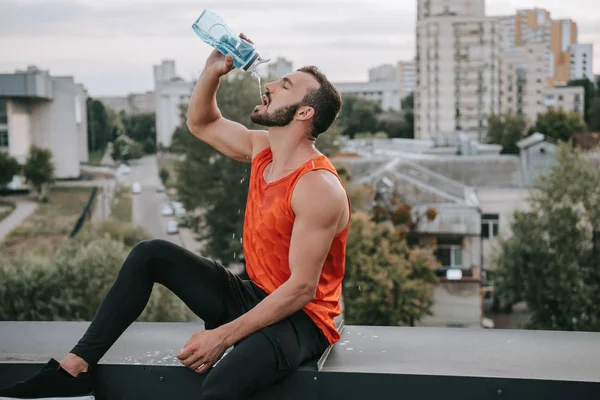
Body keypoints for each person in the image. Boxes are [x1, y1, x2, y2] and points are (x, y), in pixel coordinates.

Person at [0, 33, 349, 400]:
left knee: (220, 384)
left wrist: (222, 335)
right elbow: (201, 124)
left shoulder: (317, 187)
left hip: (303, 319)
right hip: (256, 295)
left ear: (305, 112)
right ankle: (75, 369)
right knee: (150, 254)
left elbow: (301, 288)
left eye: (286, 85)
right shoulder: (263, 149)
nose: (272, 84)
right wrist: (212, 71)